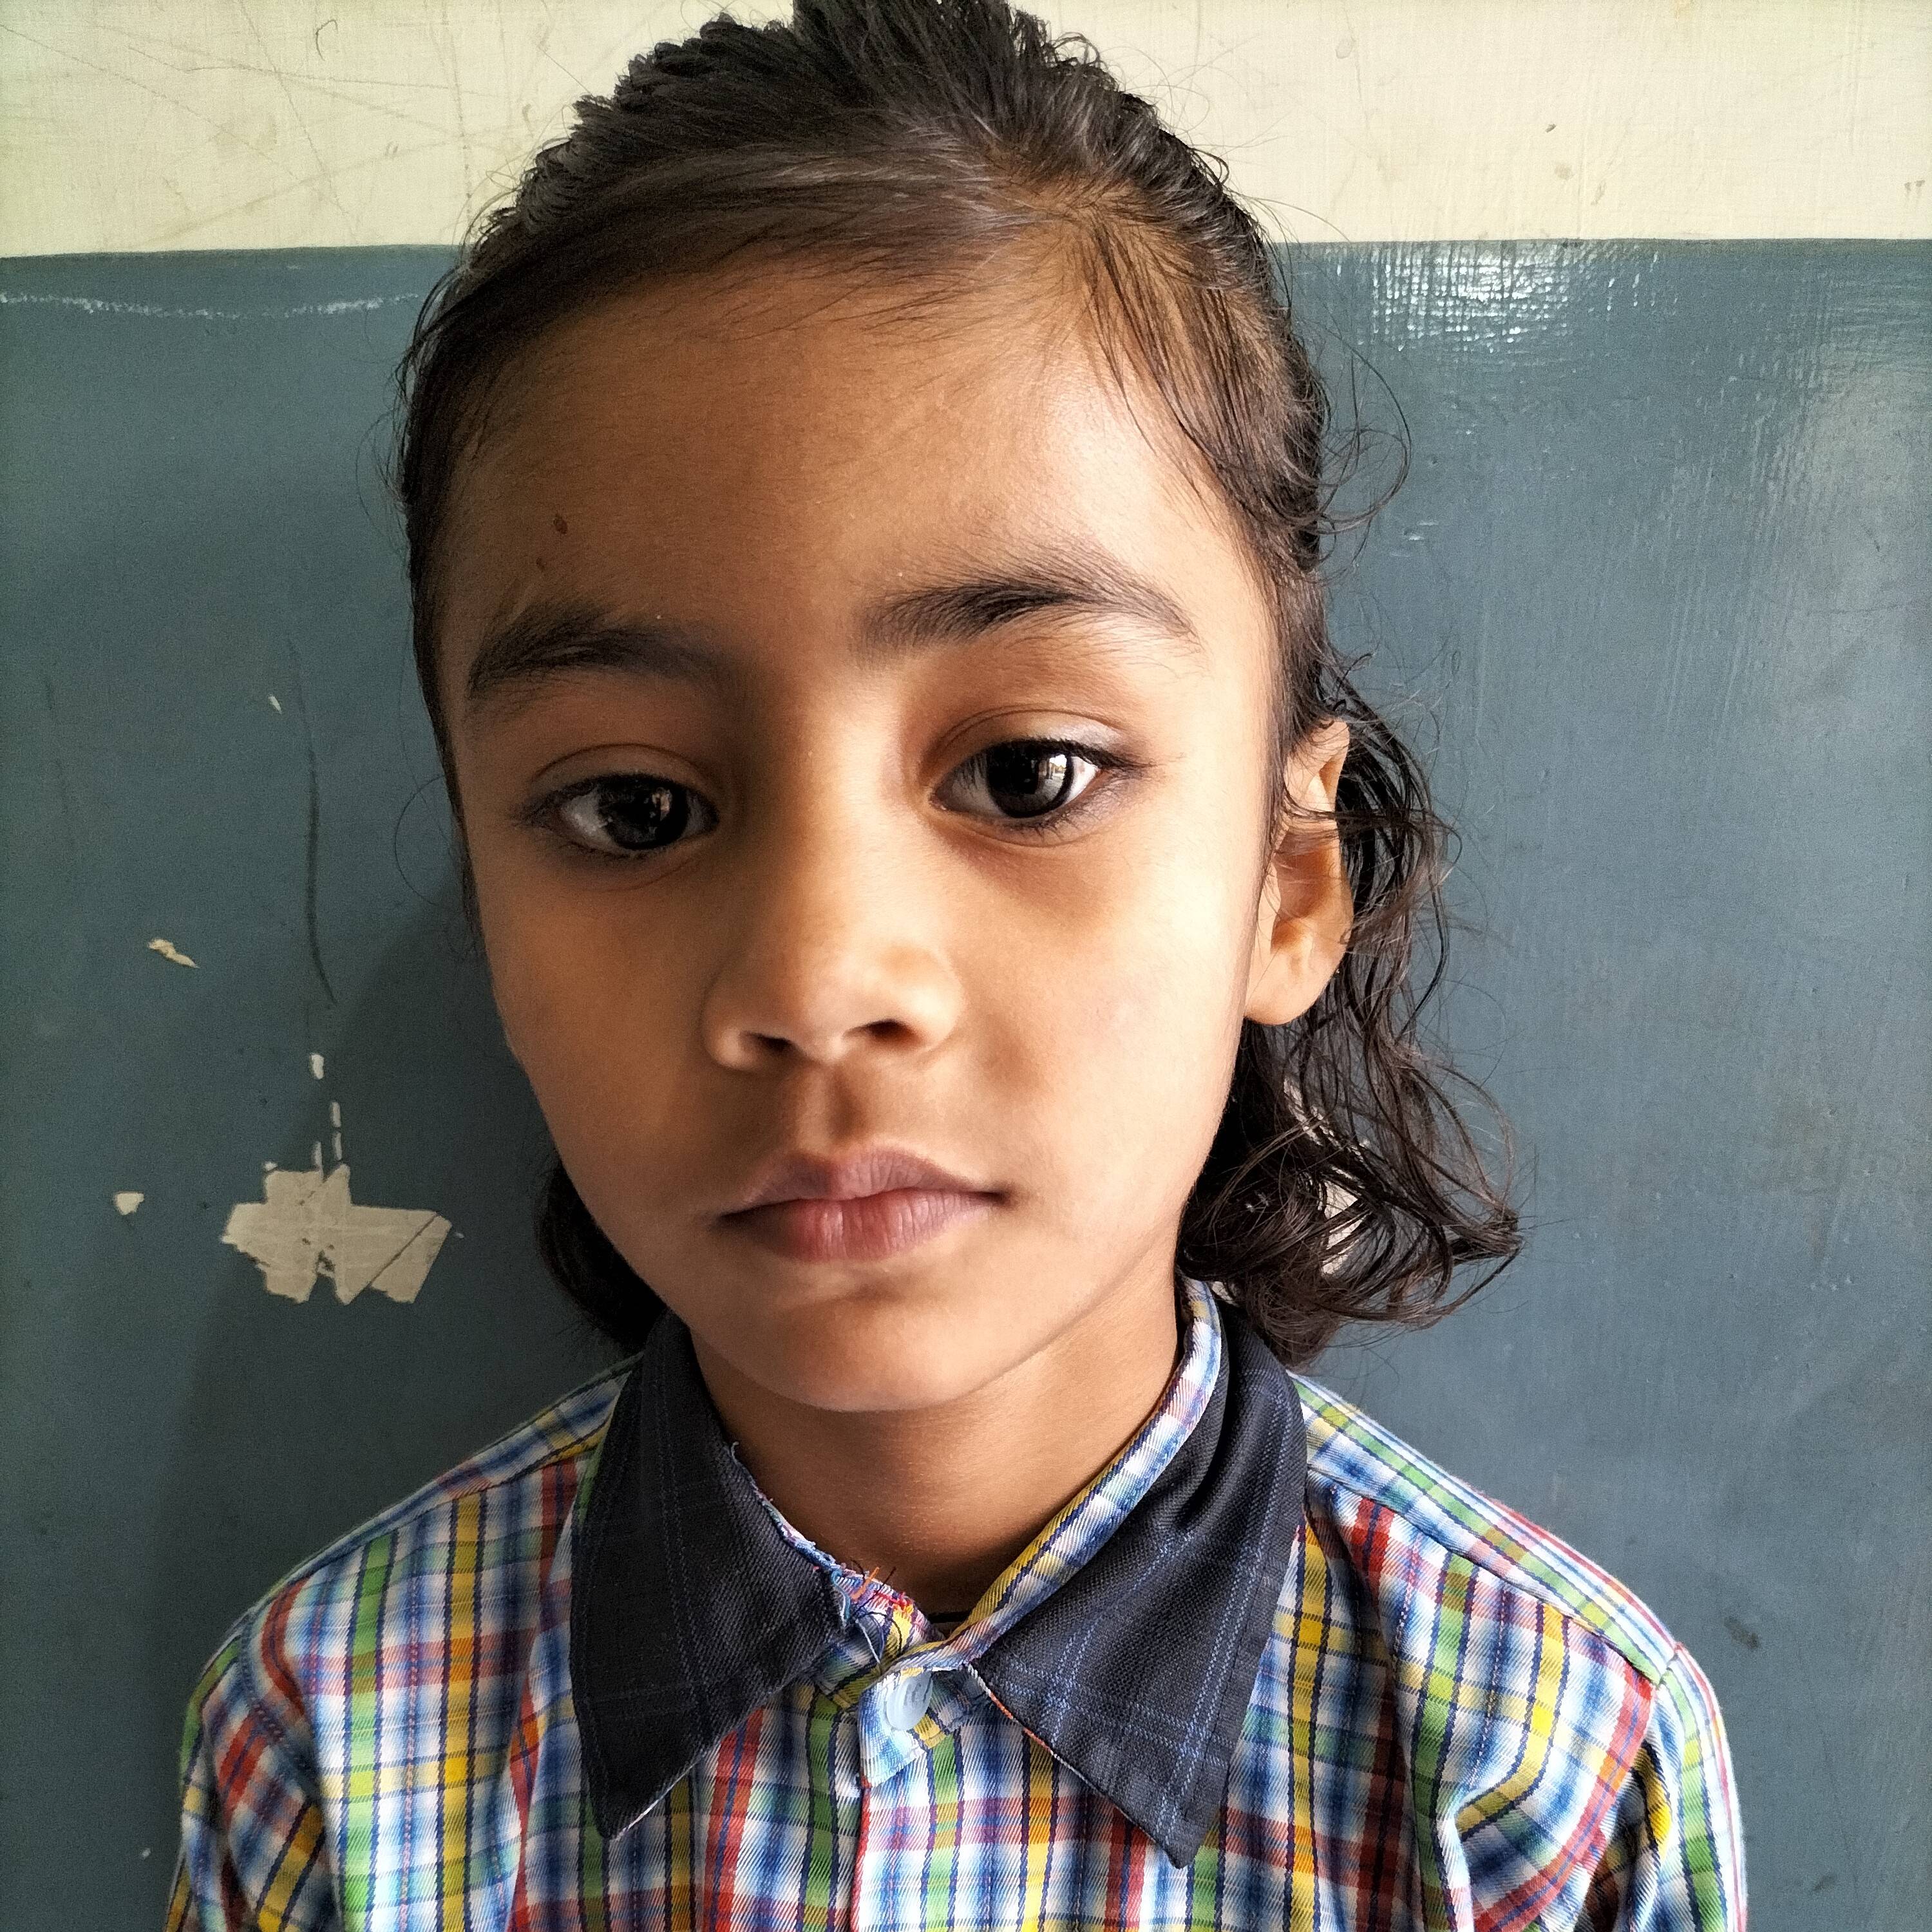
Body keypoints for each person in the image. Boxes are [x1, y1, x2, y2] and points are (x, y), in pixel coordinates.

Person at [164, 1, 1745, 1924]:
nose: (821, 981)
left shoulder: (1544, 1776)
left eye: (1028, 773)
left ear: (1287, 878)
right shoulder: (331, 1746)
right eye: (638, 811)